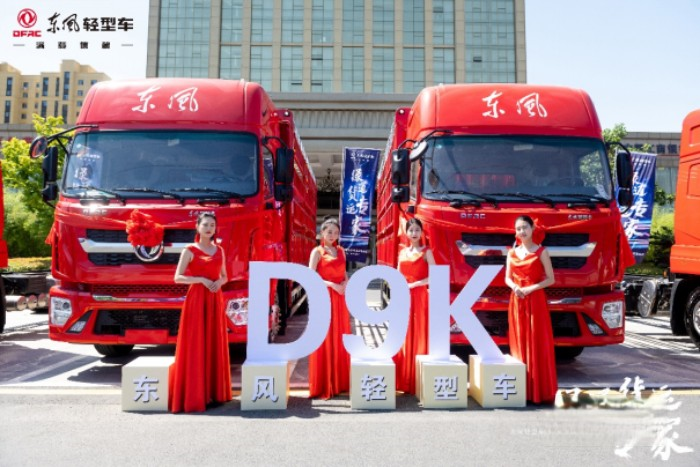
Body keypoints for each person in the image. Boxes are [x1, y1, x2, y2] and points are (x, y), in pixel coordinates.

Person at [169, 212, 232, 413]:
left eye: (212, 225)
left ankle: (213, 393)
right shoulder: (189, 250)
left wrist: (219, 282)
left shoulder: (220, 250)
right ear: (197, 227)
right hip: (196, 299)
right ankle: (196, 394)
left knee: (213, 341)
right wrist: (201, 280)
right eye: (205, 224)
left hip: (214, 298)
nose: (209, 228)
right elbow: (178, 277)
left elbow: (225, 276)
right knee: (196, 342)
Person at [505, 215, 558, 404]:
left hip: (535, 300)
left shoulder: (541, 252)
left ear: (533, 228)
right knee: (518, 341)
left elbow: (551, 279)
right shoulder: (512, 253)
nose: (522, 231)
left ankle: (537, 391)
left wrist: (530, 288)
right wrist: (515, 287)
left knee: (536, 341)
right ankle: (522, 390)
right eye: (518, 229)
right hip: (517, 300)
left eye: (525, 227)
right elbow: (507, 278)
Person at [307, 216, 351, 399]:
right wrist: (333, 285)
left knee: (339, 335)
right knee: (324, 336)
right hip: (324, 296)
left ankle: (339, 381)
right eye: (329, 231)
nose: (332, 235)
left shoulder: (341, 251)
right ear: (322, 233)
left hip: (340, 297)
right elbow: (310, 276)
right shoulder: (317, 252)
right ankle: (324, 382)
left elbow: (344, 272)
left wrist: (345, 283)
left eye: (336, 232)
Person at [393, 218, 436, 395]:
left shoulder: (427, 252)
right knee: (404, 333)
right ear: (406, 232)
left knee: (418, 332)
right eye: (411, 230)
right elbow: (397, 274)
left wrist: (416, 284)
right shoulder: (402, 252)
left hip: (419, 295)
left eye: (417, 230)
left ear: (422, 232)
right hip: (403, 296)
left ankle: (417, 378)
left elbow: (435, 275)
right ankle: (404, 376)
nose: (414, 233)